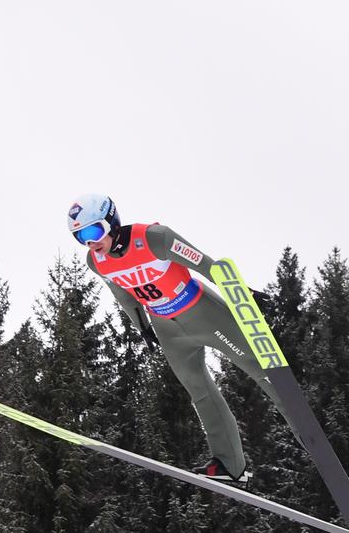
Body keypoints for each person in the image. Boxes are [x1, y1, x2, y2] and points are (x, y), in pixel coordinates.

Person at [67, 193, 289, 483]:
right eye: (80, 237)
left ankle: (305, 431)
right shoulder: (97, 262)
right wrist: (142, 327)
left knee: (260, 368)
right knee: (199, 390)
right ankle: (230, 465)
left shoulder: (154, 237)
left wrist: (241, 291)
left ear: (112, 221)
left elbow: (206, 265)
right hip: (167, 328)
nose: (90, 242)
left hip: (203, 311)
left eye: (93, 231)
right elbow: (123, 296)